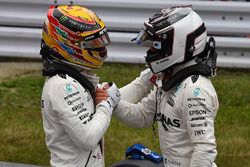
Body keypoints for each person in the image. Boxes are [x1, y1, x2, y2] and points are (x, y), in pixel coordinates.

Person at [97, 6, 219, 167]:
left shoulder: (194, 91)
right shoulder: (169, 78)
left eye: (156, 45)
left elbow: (205, 149)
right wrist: (112, 101)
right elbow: (142, 116)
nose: (150, 50)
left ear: (178, 45)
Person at [40, 5, 121, 167]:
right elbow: (88, 139)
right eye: (92, 42)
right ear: (68, 44)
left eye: (100, 39)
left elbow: (114, 99)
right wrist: (106, 104)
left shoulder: (75, 77)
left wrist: (148, 76)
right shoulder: (62, 86)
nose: (100, 46)